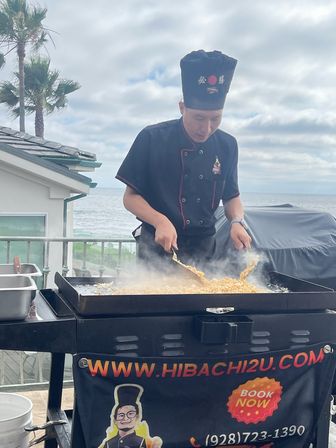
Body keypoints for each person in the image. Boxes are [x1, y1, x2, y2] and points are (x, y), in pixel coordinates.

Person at [116, 50, 251, 267]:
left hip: (205, 250)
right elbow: (130, 198)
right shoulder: (152, 137)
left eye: (215, 118)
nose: (206, 128)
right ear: (182, 107)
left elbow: (232, 196)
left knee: (199, 300)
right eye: (198, 118)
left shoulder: (227, 145)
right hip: (158, 246)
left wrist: (236, 221)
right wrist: (160, 220)